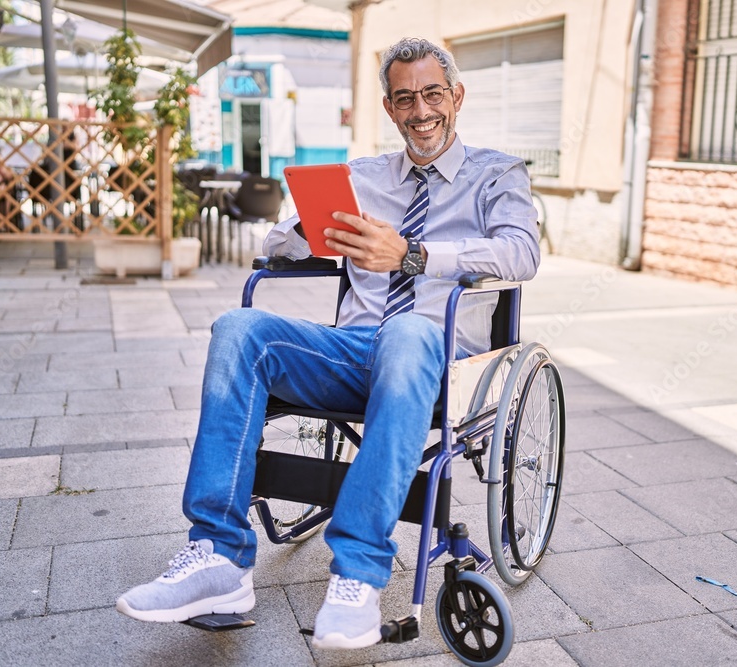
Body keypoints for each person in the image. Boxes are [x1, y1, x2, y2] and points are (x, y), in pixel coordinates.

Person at [116, 37, 540, 650]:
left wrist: (415, 254)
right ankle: (218, 558)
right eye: (404, 98)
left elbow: (521, 253)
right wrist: (306, 231)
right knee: (240, 329)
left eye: (432, 94)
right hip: (354, 351)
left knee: (409, 331)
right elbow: (276, 247)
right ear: (389, 110)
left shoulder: (497, 173)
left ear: (457, 97)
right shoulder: (363, 176)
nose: (420, 110)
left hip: (439, 357)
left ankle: (359, 578)